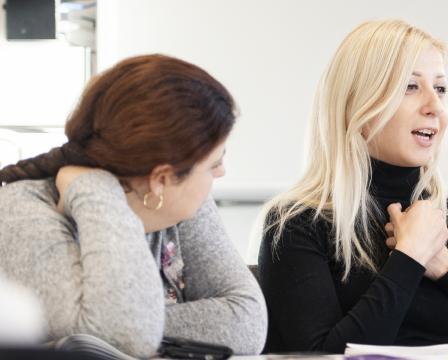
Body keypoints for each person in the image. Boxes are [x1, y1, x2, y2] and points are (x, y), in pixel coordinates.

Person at [258, 19, 448, 353]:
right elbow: (323, 355)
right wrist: (410, 256)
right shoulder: (297, 223)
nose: (435, 107)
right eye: (411, 86)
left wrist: (445, 265)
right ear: (359, 104)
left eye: (441, 88)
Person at [0, 54, 268, 357]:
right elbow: (125, 334)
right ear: (160, 179)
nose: (221, 172)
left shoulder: (178, 203)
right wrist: (95, 192)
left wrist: (114, 323)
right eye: (214, 164)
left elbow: (246, 321)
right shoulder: (22, 214)